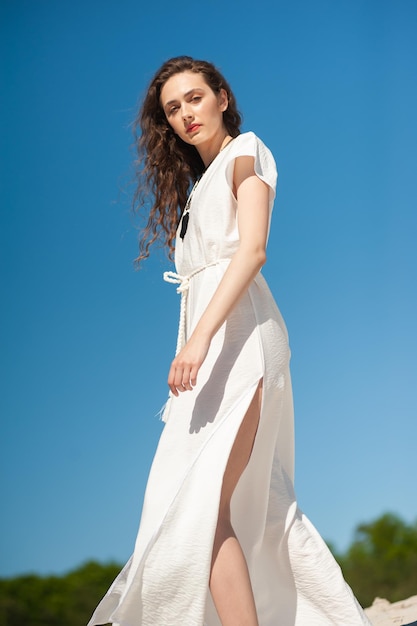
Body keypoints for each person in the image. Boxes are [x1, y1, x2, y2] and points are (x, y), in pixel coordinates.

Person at [87, 56, 371, 626]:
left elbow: (253, 250)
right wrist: (195, 343)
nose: (185, 114)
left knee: (203, 501)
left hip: (238, 340)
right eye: (172, 108)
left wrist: (197, 342)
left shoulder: (247, 152)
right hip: (211, 344)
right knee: (213, 499)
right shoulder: (198, 188)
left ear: (220, 96)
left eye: (194, 98)